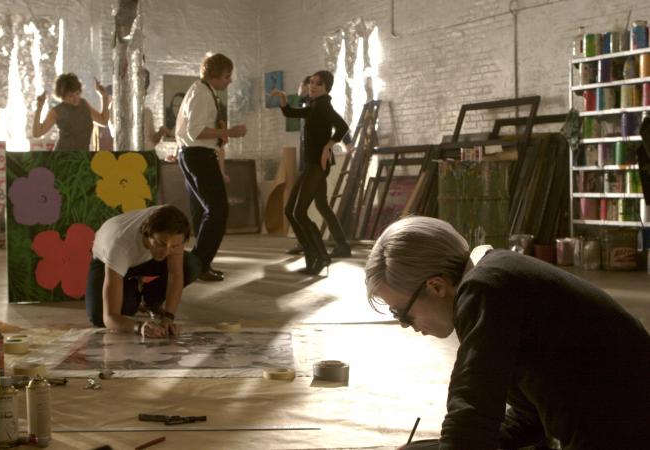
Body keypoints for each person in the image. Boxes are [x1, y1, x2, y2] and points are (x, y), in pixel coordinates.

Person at [364, 216, 650, 450]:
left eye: (402, 313)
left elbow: (473, 407)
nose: (407, 325)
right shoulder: (496, 275)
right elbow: (531, 415)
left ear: (436, 286)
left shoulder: (485, 289)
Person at [175, 53, 247, 282]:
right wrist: (229, 132)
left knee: (204, 211)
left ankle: (200, 265)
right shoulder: (202, 93)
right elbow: (196, 131)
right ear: (214, 74)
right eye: (227, 76)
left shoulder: (203, 91)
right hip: (198, 156)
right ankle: (197, 264)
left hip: (196, 154)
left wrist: (219, 137)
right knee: (218, 210)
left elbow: (194, 130)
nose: (230, 80)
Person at [270, 70, 349, 275]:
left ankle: (319, 256)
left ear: (326, 88)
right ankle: (315, 256)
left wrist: (328, 146)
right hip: (311, 165)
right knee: (292, 210)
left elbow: (343, 127)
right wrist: (283, 98)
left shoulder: (324, 106)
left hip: (317, 166)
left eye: (318, 84)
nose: (312, 86)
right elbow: (290, 113)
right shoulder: (314, 105)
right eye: (311, 82)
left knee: (297, 212)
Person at [85, 205, 201, 338]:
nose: (166, 252)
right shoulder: (119, 245)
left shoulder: (175, 228)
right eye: (161, 243)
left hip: (145, 257)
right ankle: (132, 287)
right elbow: (110, 317)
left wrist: (168, 318)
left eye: (174, 246)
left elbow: (175, 274)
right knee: (100, 316)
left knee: (191, 265)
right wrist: (139, 327)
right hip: (107, 260)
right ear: (147, 233)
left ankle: (150, 299)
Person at [32, 72, 110, 151]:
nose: (75, 99)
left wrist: (104, 96)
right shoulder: (57, 111)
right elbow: (37, 133)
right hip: (63, 156)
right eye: (70, 96)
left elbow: (103, 121)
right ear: (62, 96)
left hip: (82, 156)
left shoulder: (84, 104)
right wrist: (39, 108)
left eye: (77, 93)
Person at [143, 69, 171, 151]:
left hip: (147, 154)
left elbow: (153, 140)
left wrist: (161, 131)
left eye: (145, 87)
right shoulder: (115, 108)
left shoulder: (147, 112)